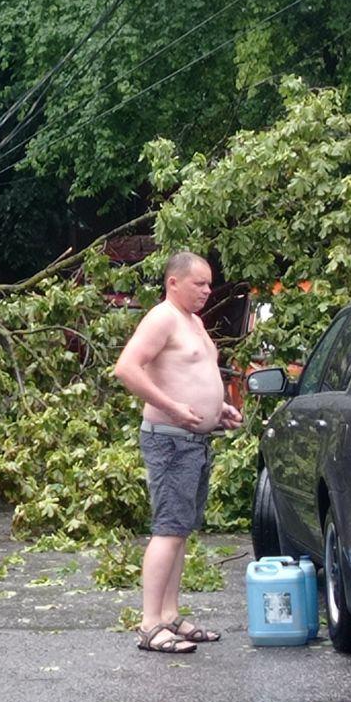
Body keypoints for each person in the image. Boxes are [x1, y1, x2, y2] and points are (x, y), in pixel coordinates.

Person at [113, 250, 242, 654]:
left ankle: (170, 614)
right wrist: (172, 407)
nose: (207, 290)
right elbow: (126, 368)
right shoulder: (162, 318)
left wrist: (216, 409)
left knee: (180, 530)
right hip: (168, 440)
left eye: (208, 283)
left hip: (194, 441)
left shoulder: (194, 322)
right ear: (173, 282)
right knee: (167, 530)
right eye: (198, 283)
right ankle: (150, 625)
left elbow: (193, 374)